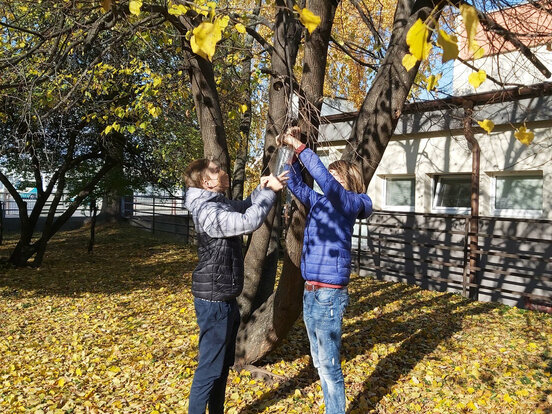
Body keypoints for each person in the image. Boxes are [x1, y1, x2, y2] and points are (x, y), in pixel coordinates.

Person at [278, 127, 372, 414]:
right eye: (328, 174)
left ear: (349, 180)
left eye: (335, 175)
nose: (328, 179)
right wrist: (291, 158)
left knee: (330, 367)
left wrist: (301, 148)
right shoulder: (320, 203)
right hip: (311, 291)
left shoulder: (352, 203)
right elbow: (295, 184)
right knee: (319, 361)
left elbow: (327, 186)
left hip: (329, 296)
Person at [183, 158, 288, 414]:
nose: (223, 171)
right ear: (206, 182)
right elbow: (248, 222)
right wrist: (271, 192)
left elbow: (242, 207)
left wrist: (260, 190)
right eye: (216, 170)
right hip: (214, 301)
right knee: (209, 369)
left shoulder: (215, 203)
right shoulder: (208, 211)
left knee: (220, 367)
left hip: (224, 298)